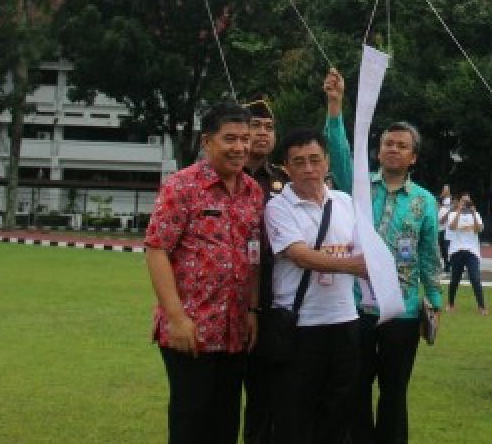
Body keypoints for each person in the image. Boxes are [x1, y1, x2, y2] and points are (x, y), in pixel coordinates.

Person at [323, 71, 444, 444]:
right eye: (387, 143)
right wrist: (335, 104)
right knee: (355, 390)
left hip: (403, 311)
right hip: (356, 306)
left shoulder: (424, 200)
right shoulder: (358, 184)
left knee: (394, 393)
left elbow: (429, 254)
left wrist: (434, 301)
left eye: (401, 145)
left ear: (413, 156)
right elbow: (339, 151)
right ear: (378, 151)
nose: (392, 149)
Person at [144, 101, 263, 444]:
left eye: (245, 138)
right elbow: (156, 250)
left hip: (234, 328)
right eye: (230, 139)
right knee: (191, 421)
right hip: (191, 328)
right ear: (207, 141)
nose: (239, 147)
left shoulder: (252, 192)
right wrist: (177, 318)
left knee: (225, 422)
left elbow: (252, 256)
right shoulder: (182, 186)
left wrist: (253, 310)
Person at [265, 127, 368, 444]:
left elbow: (364, 247)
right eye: (299, 162)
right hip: (301, 325)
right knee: (295, 413)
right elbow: (300, 256)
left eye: (314, 160)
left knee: (338, 411)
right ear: (286, 167)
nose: (308, 169)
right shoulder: (278, 207)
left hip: (345, 320)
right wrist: (357, 267)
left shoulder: (346, 202)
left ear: (326, 163)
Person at [240, 98, 288, 444]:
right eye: (255, 126)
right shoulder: (222, 176)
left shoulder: (283, 181)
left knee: (268, 392)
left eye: (269, 128)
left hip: (272, 298)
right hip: (227, 292)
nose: (262, 134)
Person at [446, 191, 488, 315]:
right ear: (459, 202)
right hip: (457, 250)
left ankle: (481, 306)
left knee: (475, 278)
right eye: (463, 201)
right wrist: (459, 210)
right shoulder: (453, 214)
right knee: (455, 279)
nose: (465, 204)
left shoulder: (476, 215)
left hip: (472, 251)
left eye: (467, 201)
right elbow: (452, 227)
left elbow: (478, 229)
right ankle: (451, 303)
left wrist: (474, 213)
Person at [437, 185, 453, 273]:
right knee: (443, 250)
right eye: (445, 189)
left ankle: (448, 265)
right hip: (441, 230)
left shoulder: (450, 200)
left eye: (448, 189)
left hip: (447, 230)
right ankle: (446, 265)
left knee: (446, 249)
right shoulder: (440, 205)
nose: (446, 191)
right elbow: (441, 221)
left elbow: (443, 220)